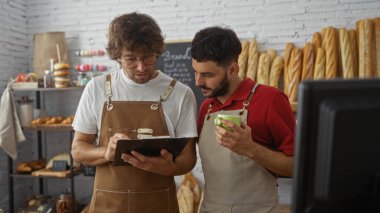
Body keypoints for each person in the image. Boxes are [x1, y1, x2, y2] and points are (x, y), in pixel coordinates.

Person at [71, 12, 198, 213]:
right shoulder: (96, 89)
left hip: (158, 206)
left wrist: (168, 167)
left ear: (157, 51)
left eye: (148, 57)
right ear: (117, 56)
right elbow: (78, 150)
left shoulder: (181, 94)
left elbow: (189, 158)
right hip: (107, 206)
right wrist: (106, 152)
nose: (141, 67)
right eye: (130, 59)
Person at [191, 26, 295, 213]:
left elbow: (297, 167)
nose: (198, 81)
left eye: (208, 75)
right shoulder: (206, 108)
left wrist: (251, 149)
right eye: (195, 72)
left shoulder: (270, 100)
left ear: (232, 70)